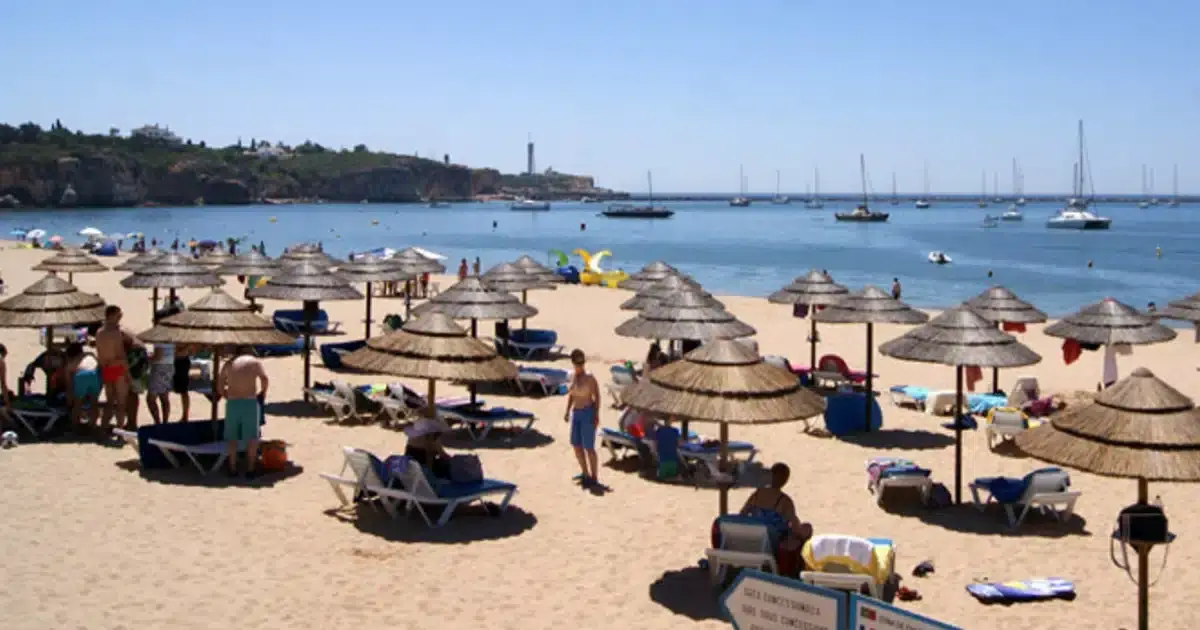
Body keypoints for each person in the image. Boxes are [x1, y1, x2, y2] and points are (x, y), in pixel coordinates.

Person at [740, 463, 814, 573]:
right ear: (785, 480)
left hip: (754, 539)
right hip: (772, 543)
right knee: (806, 528)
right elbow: (795, 526)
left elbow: (742, 514)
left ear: (771, 476)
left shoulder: (757, 494)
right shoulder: (785, 501)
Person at [218, 346, 269, 477]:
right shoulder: (254, 362)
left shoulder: (228, 364)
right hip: (249, 402)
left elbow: (220, 385)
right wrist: (263, 393)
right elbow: (264, 378)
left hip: (233, 403)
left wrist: (226, 395)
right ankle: (250, 468)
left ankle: (232, 468)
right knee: (251, 437)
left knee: (232, 438)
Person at [96, 305, 139, 433]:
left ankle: (103, 429)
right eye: (118, 315)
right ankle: (120, 431)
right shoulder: (116, 333)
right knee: (121, 403)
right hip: (118, 368)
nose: (120, 317)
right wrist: (128, 374)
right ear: (111, 315)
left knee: (110, 402)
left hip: (107, 368)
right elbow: (121, 355)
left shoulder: (99, 333)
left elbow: (100, 354)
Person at [564, 349, 601, 486]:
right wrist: (567, 411)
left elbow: (597, 396)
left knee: (589, 447)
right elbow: (571, 395)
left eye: (580, 363)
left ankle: (594, 476)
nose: (579, 366)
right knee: (576, 445)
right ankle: (585, 472)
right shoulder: (572, 376)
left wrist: (596, 414)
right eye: (577, 363)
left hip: (587, 412)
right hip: (576, 412)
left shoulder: (589, 377)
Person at [64, 342, 101, 430]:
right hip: (95, 373)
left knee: (77, 403)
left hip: (82, 374)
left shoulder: (71, 364)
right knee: (94, 402)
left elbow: (69, 386)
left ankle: (74, 427)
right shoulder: (90, 355)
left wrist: (69, 400)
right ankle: (93, 426)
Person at [146, 339, 176, 424]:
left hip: (159, 367)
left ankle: (157, 422)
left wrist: (147, 358)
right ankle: (165, 422)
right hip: (169, 366)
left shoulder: (158, 338)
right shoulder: (170, 337)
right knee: (164, 396)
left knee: (151, 399)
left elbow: (158, 356)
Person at [173, 344, 193, 421]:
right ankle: (185, 415)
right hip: (179, 361)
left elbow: (190, 348)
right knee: (183, 391)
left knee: (184, 391)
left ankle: (185, 415)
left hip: (182, 361)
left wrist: (178, 352)